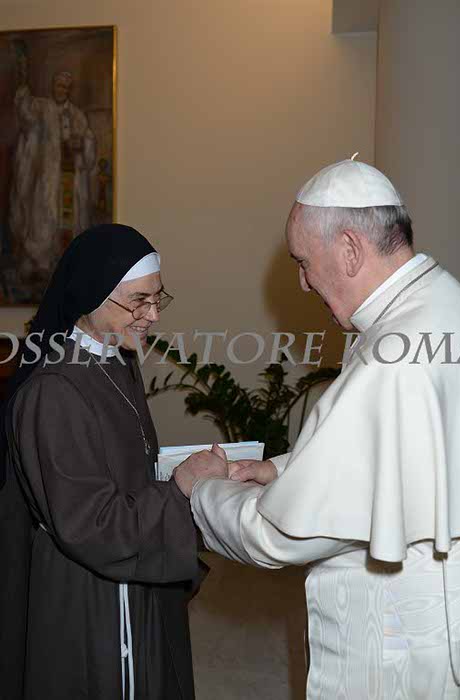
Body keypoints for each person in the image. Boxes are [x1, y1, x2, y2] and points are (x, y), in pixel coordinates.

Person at [175, 159, 460, 699]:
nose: (303, 282)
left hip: (391, 639)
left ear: (350, 249)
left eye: (304, 263)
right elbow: (403, 450)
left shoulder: (390, 357)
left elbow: (279, 534)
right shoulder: (442, 302)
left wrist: (203, 490)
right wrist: (280, 469)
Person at [0, 223, 227, 700]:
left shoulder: (116, 358)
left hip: (129, 562)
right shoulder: (53, 391)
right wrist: (180, 489)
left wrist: (181, 474)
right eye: (138, 301)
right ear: (90, 294)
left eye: (157, 299)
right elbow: (90, 524)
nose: (151, 316)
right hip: (90, 590)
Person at [9, 42, 96, 293]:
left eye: (66, 87)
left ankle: (67, 267)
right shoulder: (43, 109)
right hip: (48, 179)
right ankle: (42, 265)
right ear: (53, 87)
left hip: (70, 179)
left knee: (70, 222)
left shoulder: (77, 115)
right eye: (59, 86)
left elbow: (89, 142)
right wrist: (23, 79)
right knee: (43, 218)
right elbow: (25, 113)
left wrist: (82, 144)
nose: (62, 90)